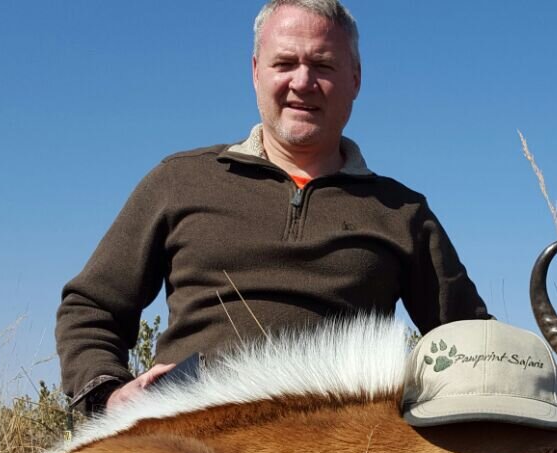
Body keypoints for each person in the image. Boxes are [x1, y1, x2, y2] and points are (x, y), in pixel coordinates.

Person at [56, 0, 488, 415]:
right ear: (256, 71)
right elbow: (91, 306)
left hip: (344, 444)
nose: (303, 82)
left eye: (323, 65)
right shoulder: (179, 180)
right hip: (187, 427)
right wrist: (107, 393)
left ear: (355, 78)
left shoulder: (402, 212)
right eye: (285, 64)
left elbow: (471, 342)